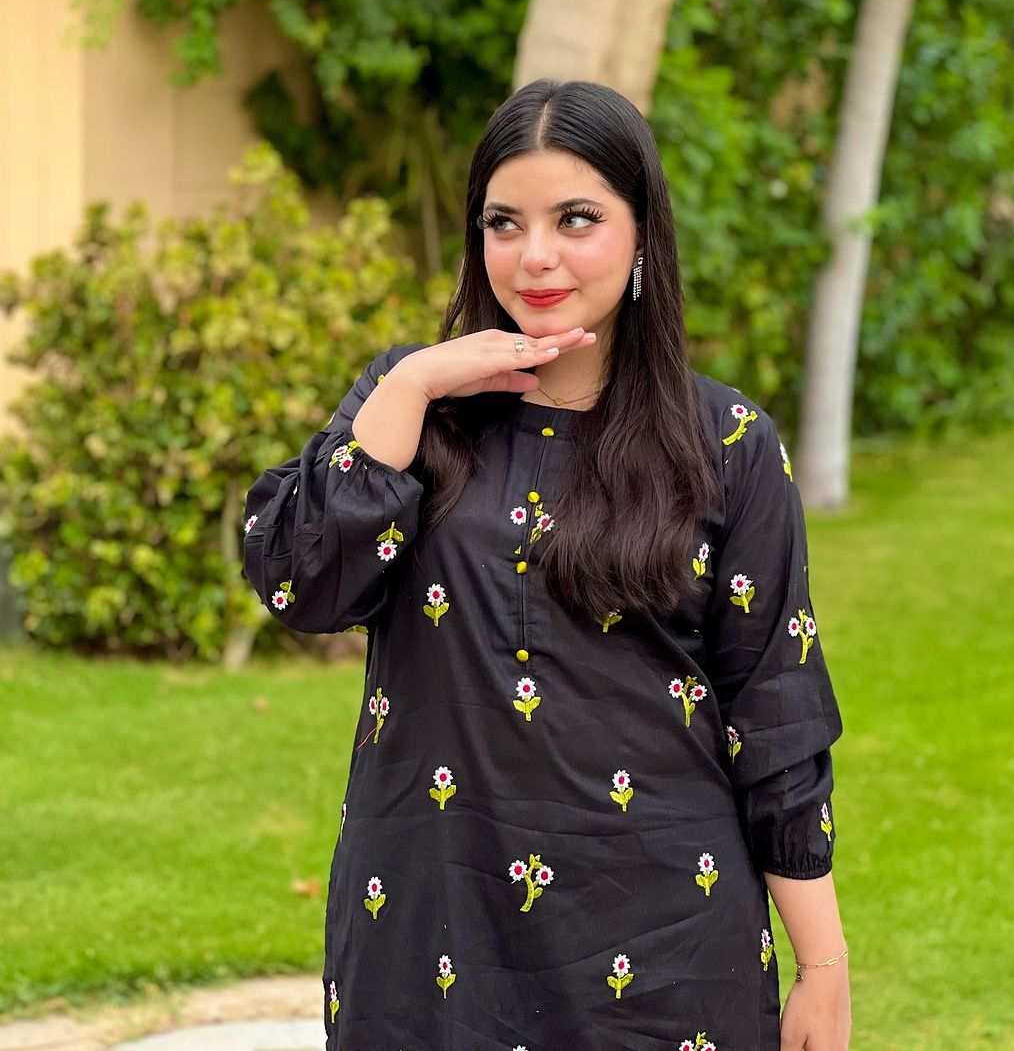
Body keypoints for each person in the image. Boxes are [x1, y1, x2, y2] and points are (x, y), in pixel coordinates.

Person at [242, 79, 850, 1051]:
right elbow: (298, 582)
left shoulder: (726, 442)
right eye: (503, 221)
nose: (535, 256)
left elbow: (774, 709)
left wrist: (822, 964)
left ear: (643, 233)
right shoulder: (416, 411)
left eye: (577, 219)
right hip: (433, 933)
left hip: (663, 943)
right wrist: (407, 386)